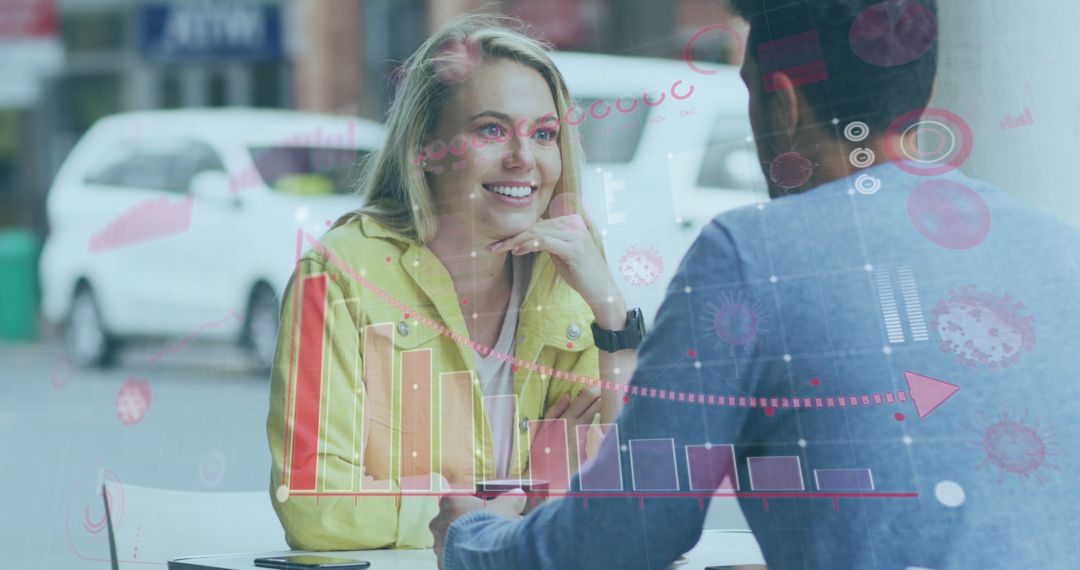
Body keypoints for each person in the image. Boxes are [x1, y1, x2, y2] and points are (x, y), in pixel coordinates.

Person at [431, 0, 1080, 568]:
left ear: (783, 100)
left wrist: (472, 539)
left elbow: (622, 536)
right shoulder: (1058, 249)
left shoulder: (751, 257)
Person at [266, 15, 642, 550]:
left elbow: (632, 508)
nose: (523, 159)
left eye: (543, 133)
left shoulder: (571, 267)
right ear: (424, 146)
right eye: (491, 129)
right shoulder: (339, 275)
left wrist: (612, 318)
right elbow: (311, 504)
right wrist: (497, 511)